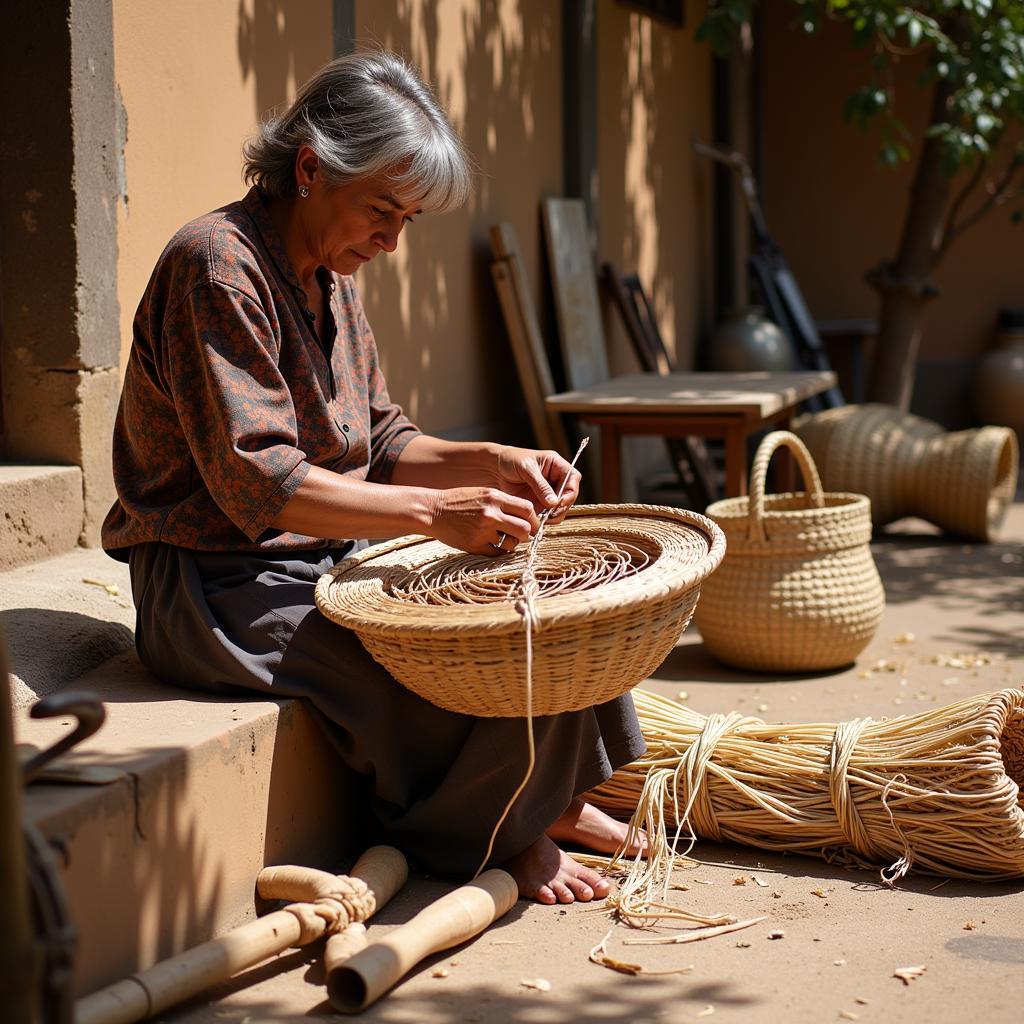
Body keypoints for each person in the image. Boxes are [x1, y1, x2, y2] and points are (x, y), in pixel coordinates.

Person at [102, 51, 645, 905]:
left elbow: (382, 440)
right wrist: (434, 514)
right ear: (311, 169)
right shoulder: (216, 266)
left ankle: (554, 797)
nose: (392, 241)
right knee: (418, 670)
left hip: (314, 562)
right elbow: (262, 483)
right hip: (212, 588)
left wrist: (495, 462)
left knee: (540, 615)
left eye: (408, 220)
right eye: (382, 212)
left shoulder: (331, 274)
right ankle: (506, 831)